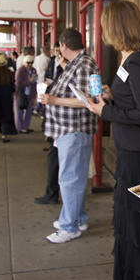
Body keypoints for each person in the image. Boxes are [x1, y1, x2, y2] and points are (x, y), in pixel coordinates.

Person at [89, 0, 140, 280]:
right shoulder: (131, 60)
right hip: (130, 152)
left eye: (105, 26)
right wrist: (111, 97)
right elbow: (134, 103)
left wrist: (104, 112)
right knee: (132, 226)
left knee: (138, 227)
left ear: (116, 27)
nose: (102, 31)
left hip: (139, 157)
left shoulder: (137, 61)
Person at [40, 28, 100, 243]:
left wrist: (54, 100)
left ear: (64, 46)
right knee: (72, 178)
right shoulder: (77, 63)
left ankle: (69, 226)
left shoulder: (84, 64)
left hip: (75, 130)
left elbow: (90, 100)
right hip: (68, 129)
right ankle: (78, 218)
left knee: (70, 180)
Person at [34, 42, 64, 205]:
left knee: (58, 160)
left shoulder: (69, 69)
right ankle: (52, 193)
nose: (58, 54)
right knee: (54, 158)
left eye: (60, 51)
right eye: (55, 51)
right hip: (54, 118)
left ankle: (53, 194)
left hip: (63, 123)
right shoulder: (54, 63)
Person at [14, 54, 37, 133]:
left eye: (31, 62)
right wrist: (29, 81)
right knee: (19, 111)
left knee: (29, 110)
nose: (30, 64)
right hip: (20, 93)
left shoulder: (34, 70)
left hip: (29, 93)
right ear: (24, 62)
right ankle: (19, 127)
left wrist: (34, 95)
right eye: (28, 63)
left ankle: (26, 126)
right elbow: (18, 84)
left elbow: (34, 84)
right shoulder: (20, 70)